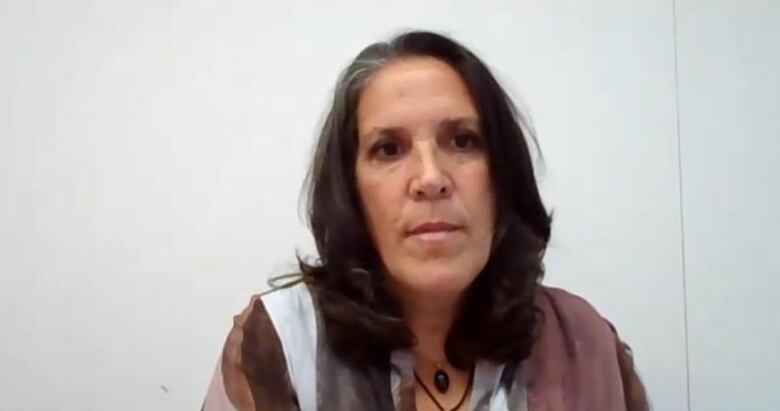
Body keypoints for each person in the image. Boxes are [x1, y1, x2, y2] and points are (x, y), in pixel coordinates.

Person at [202, 30, 649, 411]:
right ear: (350, 190)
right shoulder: (279, 344)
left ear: (503, 174)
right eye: (389, 150)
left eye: (462, 141)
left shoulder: (585, 346)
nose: (431, 178)